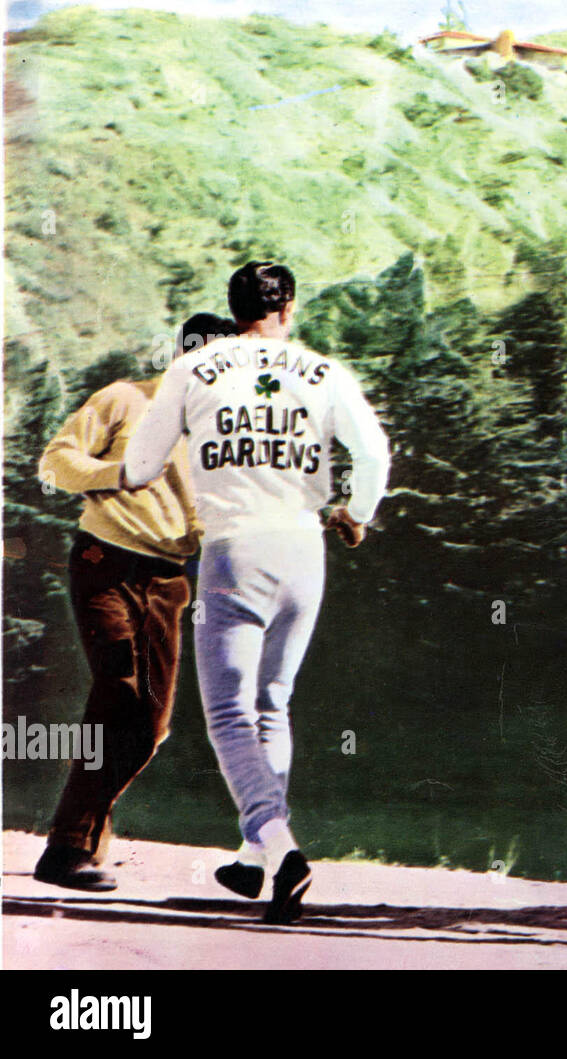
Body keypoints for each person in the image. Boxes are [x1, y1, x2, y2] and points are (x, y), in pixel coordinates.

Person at [124, 263, 390, 923]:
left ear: (233, 307)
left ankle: (281, 842)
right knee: (273, 703)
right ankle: (254, 858)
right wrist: (355, 510)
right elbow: (376, 452)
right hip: (305, 548)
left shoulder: (196, 368)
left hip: (232, 552)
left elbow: (138, 465)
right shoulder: (324, 371)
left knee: (227, 715)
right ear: (288, 309)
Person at [32, 314, 234, 891]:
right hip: (105, 561)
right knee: (118, 688)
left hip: (169, 580)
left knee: (151, 723)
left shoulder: (222, 439)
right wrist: (116, 473)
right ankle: (69, 847)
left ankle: (82, 834)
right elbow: (56, 459)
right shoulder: (124, 399)